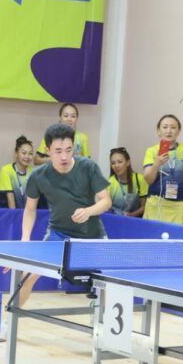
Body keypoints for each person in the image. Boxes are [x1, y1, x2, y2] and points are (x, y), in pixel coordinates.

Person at [16, 123, 110, 307]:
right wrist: (25, 237)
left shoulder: (88, 167)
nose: (64, 156)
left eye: (68, 150)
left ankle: (101, 318)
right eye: (58, 151)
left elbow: (106, 201)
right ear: (47, 150)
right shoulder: (38, 176)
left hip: (92, 235)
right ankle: (10, 318)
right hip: (59, 235)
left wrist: (88, 211)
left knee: (110, 283)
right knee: (28, 275)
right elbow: (29, 209)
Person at [142, 114, 183, 224]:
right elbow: (148, 179)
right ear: (158, 131)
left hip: (179, 204)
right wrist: (156, 164)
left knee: (179, 233)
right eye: (165, 127)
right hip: (155, 203)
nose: (169, 131)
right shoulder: (152, 151)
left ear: (178, 131)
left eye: (173, 127)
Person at [108, 147, 148, 217]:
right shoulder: (110, 182)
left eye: (120, 162)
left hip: (134, 220)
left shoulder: (140, 179)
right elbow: (106, 207)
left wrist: (132, 215)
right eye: (113, 163)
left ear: (128, 162)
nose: (116, 166)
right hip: (115, 219)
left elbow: (144, 206)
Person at [0, 135, 35, 209]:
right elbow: (10, 202)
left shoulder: (34, 172)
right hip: (9, 213)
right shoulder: (6, 170)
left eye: (30, 153)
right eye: (24, 153)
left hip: (27, 213)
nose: (27, 156)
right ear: (16, 153)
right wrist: (16, 216)